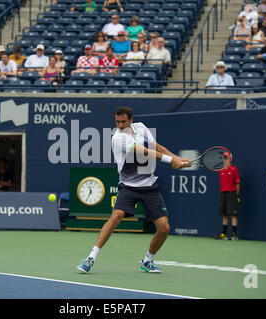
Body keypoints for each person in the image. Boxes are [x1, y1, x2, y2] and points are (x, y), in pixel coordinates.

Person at [76, 106, 191, 274]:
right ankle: (90, 258)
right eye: (117, 122)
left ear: (131, 120)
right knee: (116, 216)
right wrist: (170, 160)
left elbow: (156, 146)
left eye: (123, 122)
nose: (120, 125)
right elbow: (142, 151)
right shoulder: (117, 138)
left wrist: (177, 158)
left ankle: (147, 261)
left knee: (164, 228)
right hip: (129, 187)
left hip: (149, 186)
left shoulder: (142, 127)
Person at [214, 152, 241, 240]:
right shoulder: (221, 170)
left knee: (233, 215)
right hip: (223, 193)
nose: (225, 159)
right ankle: (224, 234)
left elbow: (237, 183)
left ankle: (234, 235)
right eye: (224, 158)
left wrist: (235, 195)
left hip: (232, 193)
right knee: (224, 214)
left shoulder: (234, 169)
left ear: (230, 159)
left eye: (226, 158)